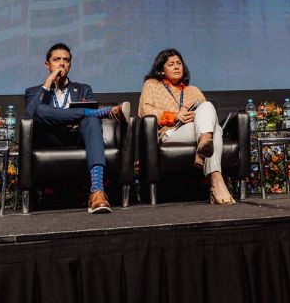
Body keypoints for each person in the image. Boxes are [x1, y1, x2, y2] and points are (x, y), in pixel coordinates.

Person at [24, 43, 130, 214]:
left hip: (78, 137)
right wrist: (49, 82)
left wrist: (74, 117)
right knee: (40, 110)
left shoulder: (83, 89)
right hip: (52, 139)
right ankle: (103, 112)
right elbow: (31, 114)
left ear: (70, 64)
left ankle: (97, 192)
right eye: (56, 60)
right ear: (47, 65)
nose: (62, 63)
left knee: (92, 120)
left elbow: (87, 123)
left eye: (66, 60)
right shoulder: (33, 91)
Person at [138, 48, 236, 204]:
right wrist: (174, 116)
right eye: (171, 64)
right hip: (171, 132)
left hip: (195, 129)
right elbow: (145, 110)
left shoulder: (193, 90)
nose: (177, 67)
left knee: (207, 107)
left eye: (179, 63)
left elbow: (207, 115)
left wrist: (194, 117)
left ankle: (215, 177)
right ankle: (213, 174)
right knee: (215, 130)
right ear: (161, 70)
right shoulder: (152, 85)